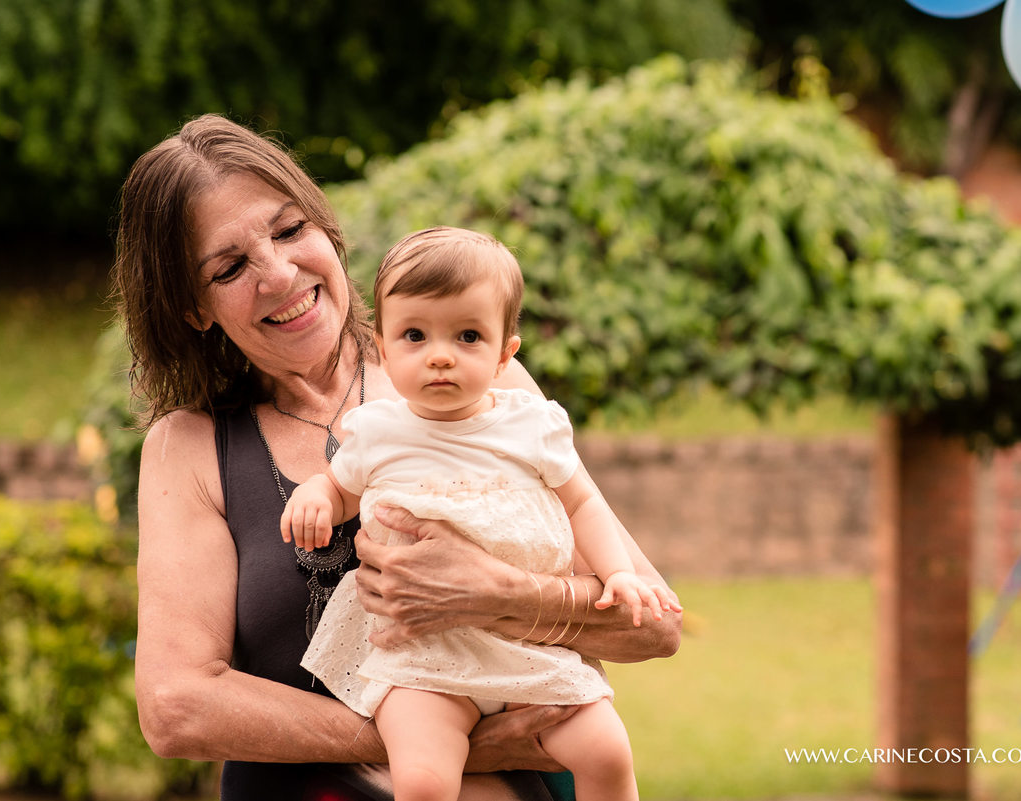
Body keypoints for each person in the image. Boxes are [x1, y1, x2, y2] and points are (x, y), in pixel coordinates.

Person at [114, 113, 682, 801]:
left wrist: (502, 595)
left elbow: (654, 624)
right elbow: (175, 707)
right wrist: (440, 737)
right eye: (230, 267)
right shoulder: (192, 447)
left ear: (327, 229)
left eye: (292, 229)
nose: (279, 271)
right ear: (193, 309)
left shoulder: (483, 385)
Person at [281, 226, 681, 801]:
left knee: (608, 752)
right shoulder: (376, 433)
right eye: (415, 335)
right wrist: (316, 495)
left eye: (468, 336)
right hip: (419, 651)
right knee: (422, 782)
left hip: (527, 648)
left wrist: (617, 573)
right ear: (385, 349)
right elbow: (337, 488)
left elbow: (583, 502)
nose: (440, 355)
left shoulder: (530, 426)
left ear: (504, 354)